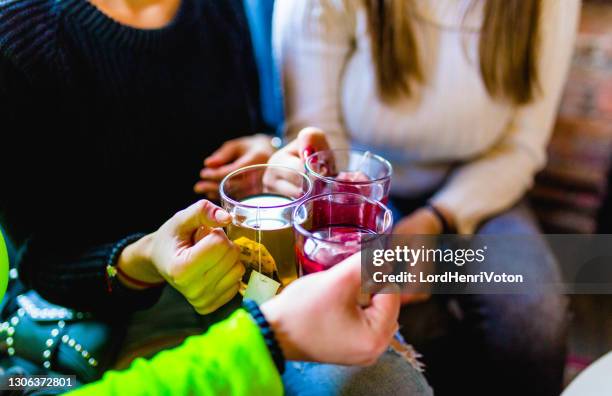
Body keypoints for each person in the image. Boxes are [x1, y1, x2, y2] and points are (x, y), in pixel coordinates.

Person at [0, 0, 431, 393]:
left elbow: (236, 140)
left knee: (388, 385)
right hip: (117, 312)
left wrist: (267, 153)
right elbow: (39, 261)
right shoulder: (19, 38)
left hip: (250, 278)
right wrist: (148, 257)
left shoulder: (218, 9)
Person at [263, 0, 580, 395]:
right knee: (406, 324)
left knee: (534, 317)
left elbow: (520, 147)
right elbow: (318, 139)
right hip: (359, 190)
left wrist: (438, 219)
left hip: (481, 184)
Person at [69, 255, 433, 396]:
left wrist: (269, 149)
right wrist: (140, 259)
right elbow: (42, 262)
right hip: (128, 303)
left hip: (259, 279)